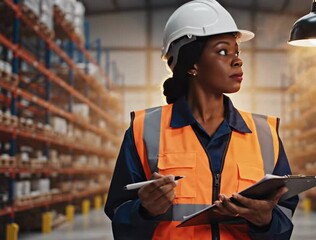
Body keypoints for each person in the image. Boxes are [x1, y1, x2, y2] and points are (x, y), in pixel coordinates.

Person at [104, 0, 299, 239]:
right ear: (192, 64)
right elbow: (119, 218)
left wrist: (266, 221)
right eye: (223, 51)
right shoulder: (144, 130)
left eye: (237, 52)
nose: (237, 60)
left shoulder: (265, 134)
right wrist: (143, 210)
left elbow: (285, 217)